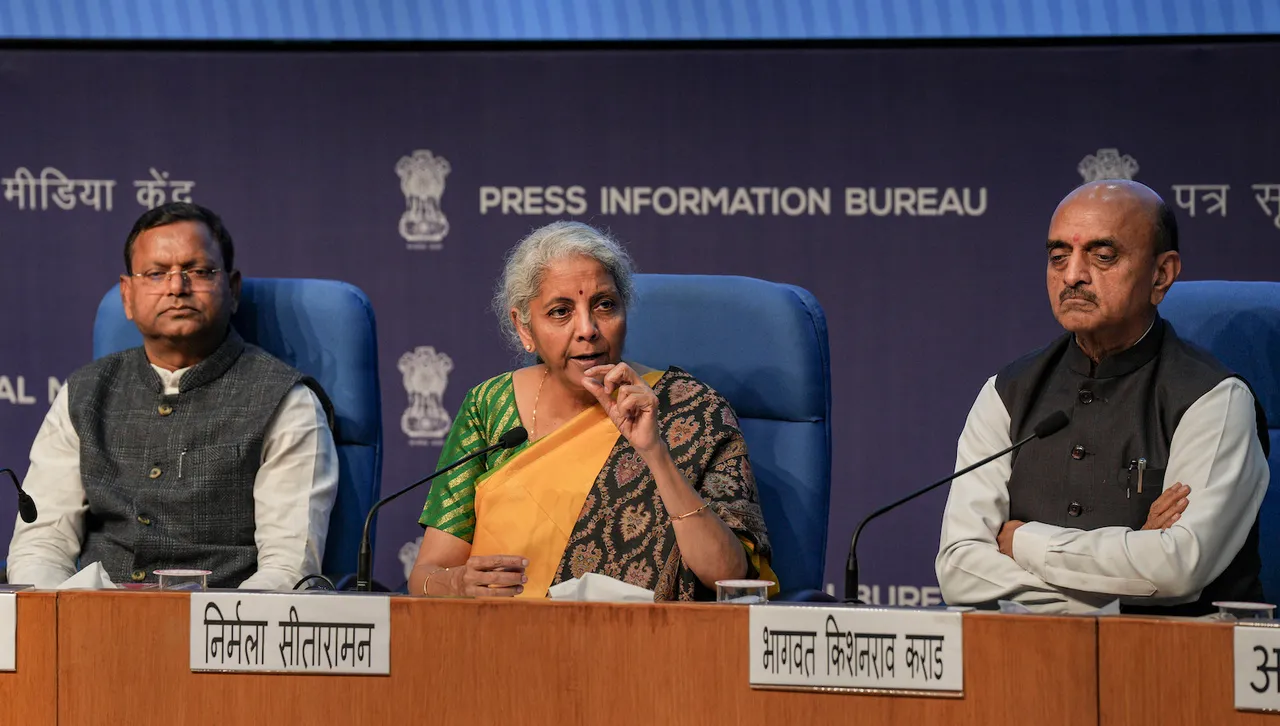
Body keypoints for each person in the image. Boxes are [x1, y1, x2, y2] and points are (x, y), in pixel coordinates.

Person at [936, 180, 1269, 615]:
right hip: (1027, 661)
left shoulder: (1214, 399)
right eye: (1058, 257)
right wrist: (1123, 577)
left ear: (1161, 274)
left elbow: (1178, 568)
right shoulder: (1006, 393)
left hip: (1184, 666)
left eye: (1102, 255)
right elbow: (959, 568)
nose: (1072, 275)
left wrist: (1022, 542)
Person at [409, 221, 775, 600]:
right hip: (500, 644)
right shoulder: (489, 409)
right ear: (524, 327)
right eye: (560, 311)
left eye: (604, 305)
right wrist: (456, 583)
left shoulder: (692, 410)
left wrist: (656, 454)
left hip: (648, 646)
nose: (587, 329)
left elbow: (729, 575)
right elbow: (426, 573)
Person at [6, 202, 339, 589]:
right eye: (156, 273)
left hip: (224, 633)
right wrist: (59, 623)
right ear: (127, 296)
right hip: (95, 628)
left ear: (232, 290)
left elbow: (286, 569)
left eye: (198, 271)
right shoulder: (84, 394)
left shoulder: (286, 400)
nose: (177, 287)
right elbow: (41, 543)